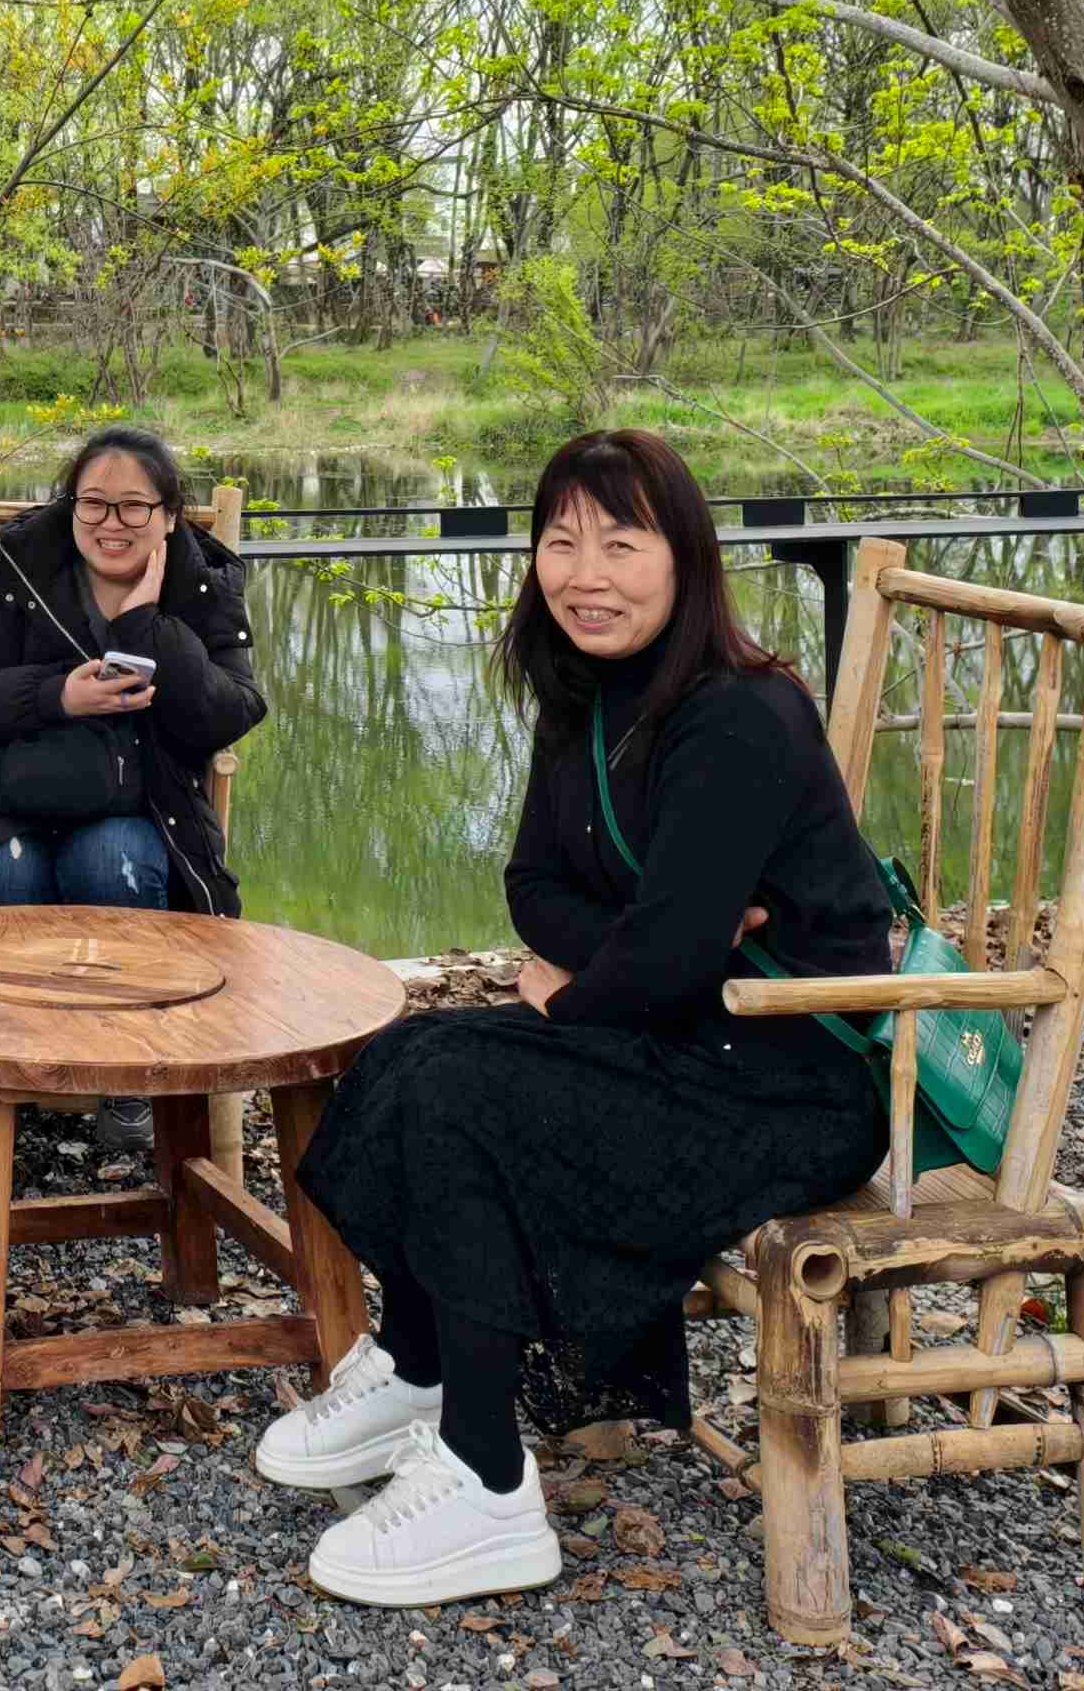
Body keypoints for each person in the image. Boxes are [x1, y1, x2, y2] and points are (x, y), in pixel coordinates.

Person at [251, 428, 893, 1607]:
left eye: (620, 543)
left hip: (786, 1080)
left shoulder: (741, 717)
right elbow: (533, 889)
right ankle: (421, 1365)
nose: (584, 574)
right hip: (674, 1035)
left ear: (685, 559)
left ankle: (487, 1484)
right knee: (405, 1055)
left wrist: (598, 978)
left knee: (468, 1094)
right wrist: (644, 946)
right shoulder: (584, 696)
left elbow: (668, 958)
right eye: (560, 540)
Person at [0, 424, 261, 1155]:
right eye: (93, 503)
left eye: (134, 506)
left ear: (169, 515)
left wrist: (146, 624)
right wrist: (58, 696)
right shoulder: (26, 568)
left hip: (141, 804)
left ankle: (123, 1074)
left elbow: (231, 712)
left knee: (113, 866)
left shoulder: (200, 584)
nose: (112, 523)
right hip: (2, 796)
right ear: (70, 507)